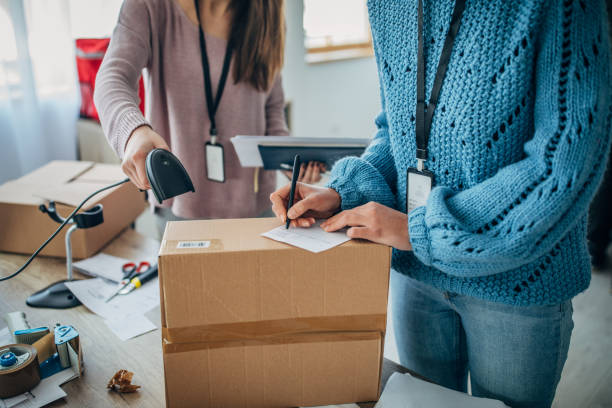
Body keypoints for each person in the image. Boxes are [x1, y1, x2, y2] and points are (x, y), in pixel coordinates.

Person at [271, 1, 611, 407]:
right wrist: (344, 192)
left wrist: (422, 231)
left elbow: (563, 163)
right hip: (415, 276)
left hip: (517, 284)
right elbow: (396, 129)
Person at [94, 0, 322, 235]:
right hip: (180, 210)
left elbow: (271, 110)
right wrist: (133, 131)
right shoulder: (149, 6)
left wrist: (290, 162)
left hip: (257, 209)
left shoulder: (268, 17)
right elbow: (112, 79)